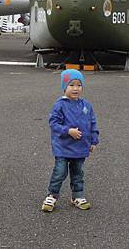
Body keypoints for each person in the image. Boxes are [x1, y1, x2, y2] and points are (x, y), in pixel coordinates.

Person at [41, 69, 99, 212]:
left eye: (79, 85)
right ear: (64, 87)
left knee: (78, 172)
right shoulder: (60, 105)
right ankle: (52, 195)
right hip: (63, 146)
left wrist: (93, 140)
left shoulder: (86, 105)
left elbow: (92, 123)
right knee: (60, 171)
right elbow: (54, 124)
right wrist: (68, 131)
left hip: (80, 147)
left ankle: (77, 196)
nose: (75, 88)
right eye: (71, 85)